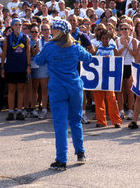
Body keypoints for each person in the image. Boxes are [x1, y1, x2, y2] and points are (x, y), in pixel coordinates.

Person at [34, 20, 92, 171]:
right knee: (76, 120)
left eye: (53, 29)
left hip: (58, 88)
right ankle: (80, 153)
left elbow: (38, 61)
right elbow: (88, 57)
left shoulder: (49, 47)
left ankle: (61, 160)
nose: (51, 31)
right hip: (74, 86)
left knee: (60, 124)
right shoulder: (74, 46)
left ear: (56, 31)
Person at [1, 19, 31, 121]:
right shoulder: (7, 38)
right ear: (12, 26)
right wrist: (2, 67)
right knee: (11, 90)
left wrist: (28, 66)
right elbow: (4, 53)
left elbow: (28, 52)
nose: (18, 27)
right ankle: (10, 112)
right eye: (16, 25)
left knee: (21, 89)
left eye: (19, 25)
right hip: (10, 67)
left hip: (22, 67)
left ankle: (19, 111)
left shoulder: (25, 37)